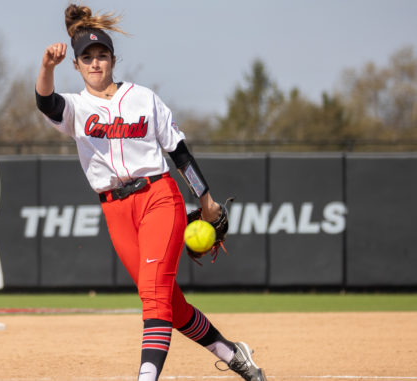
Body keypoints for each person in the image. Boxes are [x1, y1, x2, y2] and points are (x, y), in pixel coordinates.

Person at [34, 4, 267, 381]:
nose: (95, 63)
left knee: (154, 297)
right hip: (115, 211)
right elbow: (45, 101)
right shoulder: (76, 107)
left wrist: (205, 200)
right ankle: (232, 352)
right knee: (168, 303)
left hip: (159, 197)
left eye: (102, 55)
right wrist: (46, 66)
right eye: (87, 58)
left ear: (113, 60)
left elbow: (179, 152)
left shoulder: (144, 98)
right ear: (76, 66)